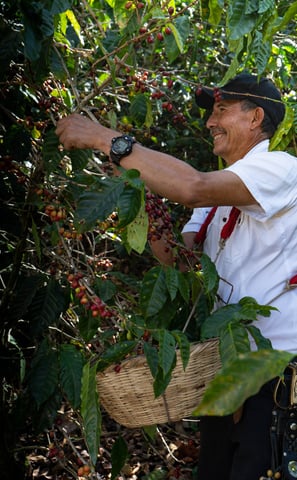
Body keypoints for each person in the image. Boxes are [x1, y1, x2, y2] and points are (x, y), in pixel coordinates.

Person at [56, 73, 297, 479]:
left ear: (256, 117)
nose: (209, 123)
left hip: (273, 382)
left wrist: (105, 138)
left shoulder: (281, 168)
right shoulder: (221, 196)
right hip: (224, 374)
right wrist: (140, 197)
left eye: (221, 110)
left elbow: (192, 186)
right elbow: (179, 261)